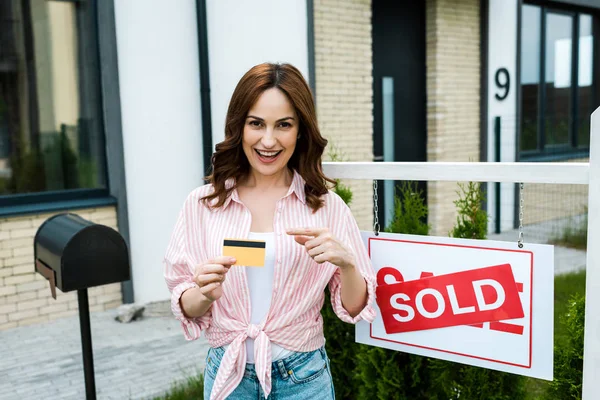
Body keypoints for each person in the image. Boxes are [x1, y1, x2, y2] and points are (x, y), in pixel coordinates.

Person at [164, 62, 376, 400]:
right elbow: (186, 303)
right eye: (256, 124)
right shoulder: (202, 204)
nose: (268, 140)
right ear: (239, 127)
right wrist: (204, 293)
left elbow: (354, 308)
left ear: (300, 131)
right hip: (229, 374)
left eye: (283, 125)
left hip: (303, 378)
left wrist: (349, 265)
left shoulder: (326, 206)